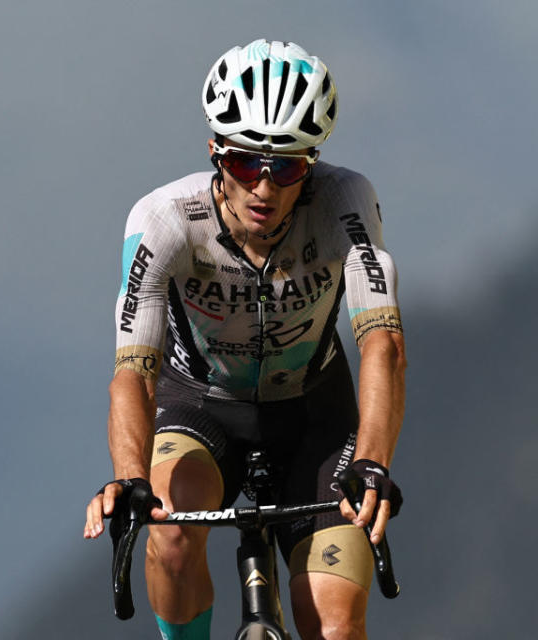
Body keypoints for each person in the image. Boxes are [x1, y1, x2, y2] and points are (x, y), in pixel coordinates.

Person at [85, 39, 406, 640]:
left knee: (334, 625)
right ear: (215, 154)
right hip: (200, 409)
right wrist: (129, 477)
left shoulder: (344, 202)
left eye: (285, 166)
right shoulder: (164, 220)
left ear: (310, 164)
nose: (264, 187)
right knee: (172, 536)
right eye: (243, 163)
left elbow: (383, 345)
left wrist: (371, 463)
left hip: (316, 417)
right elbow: (133, 373)